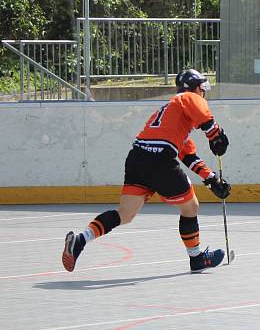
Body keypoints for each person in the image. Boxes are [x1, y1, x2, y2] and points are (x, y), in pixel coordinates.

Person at [61, 69, 232, 273]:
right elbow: (199, 109)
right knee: (191, 207)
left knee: (125, 214)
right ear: (196, 88)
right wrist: (215, 134)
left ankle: (79, 241)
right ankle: (196, 259)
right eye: (202, 89)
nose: (204, 95)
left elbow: (188, 156)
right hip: (159, 160)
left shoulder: (172, 116)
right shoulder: (186, 97)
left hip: (137, 158)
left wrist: (211, 178)